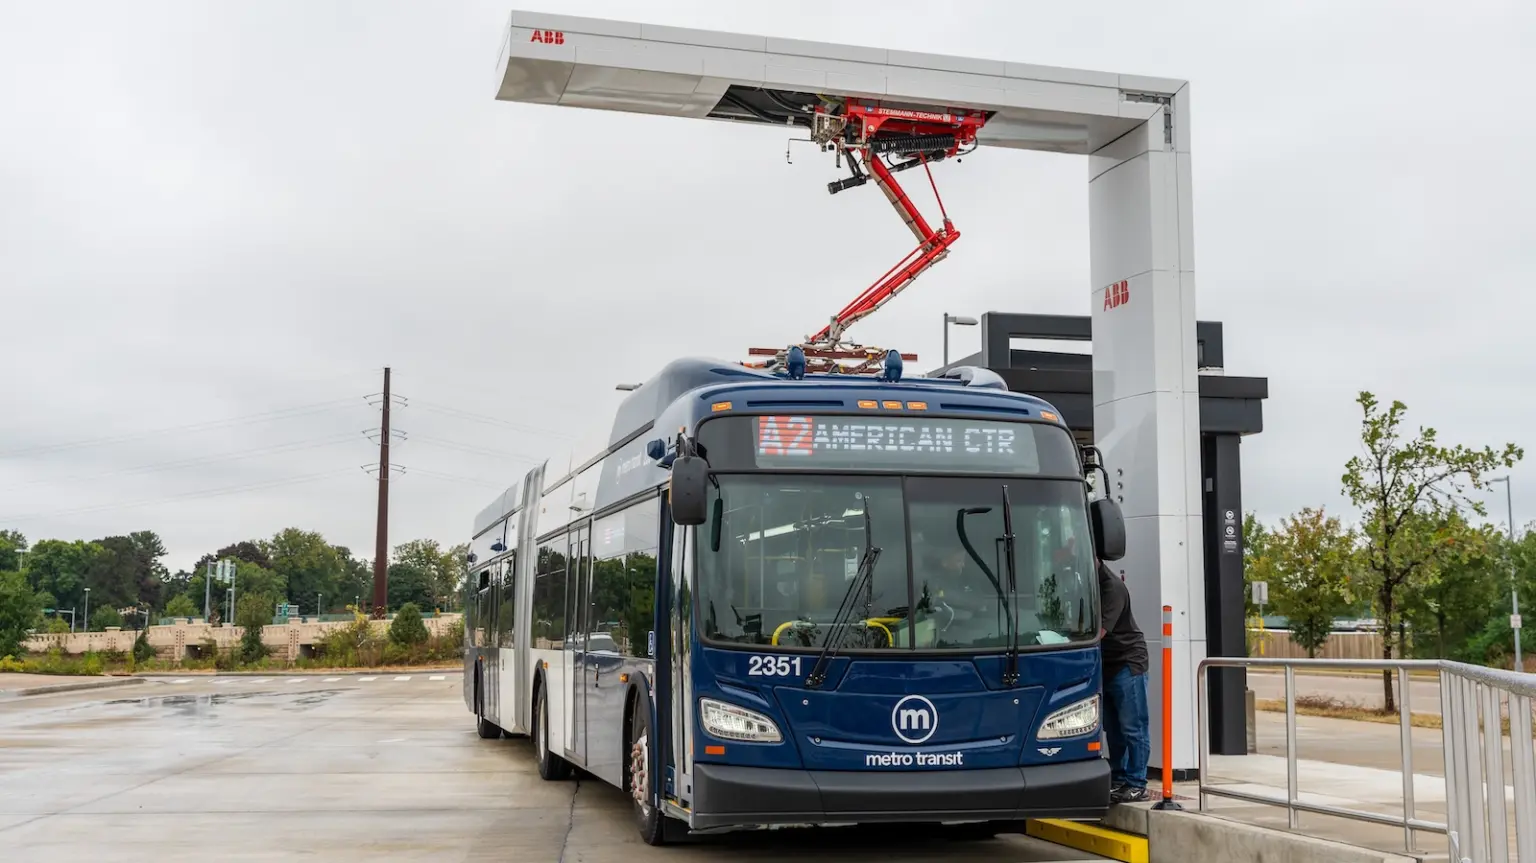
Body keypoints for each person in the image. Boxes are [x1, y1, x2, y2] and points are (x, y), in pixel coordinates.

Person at [1098, 561, 1151, 803]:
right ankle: (1118, 778)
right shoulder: (1086, 585)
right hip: (1107, 665)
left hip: (1127, 662)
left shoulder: (1112, 588)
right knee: (1113, 729)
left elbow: (1099, 631)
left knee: (1133, 727)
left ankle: (1137, 783)